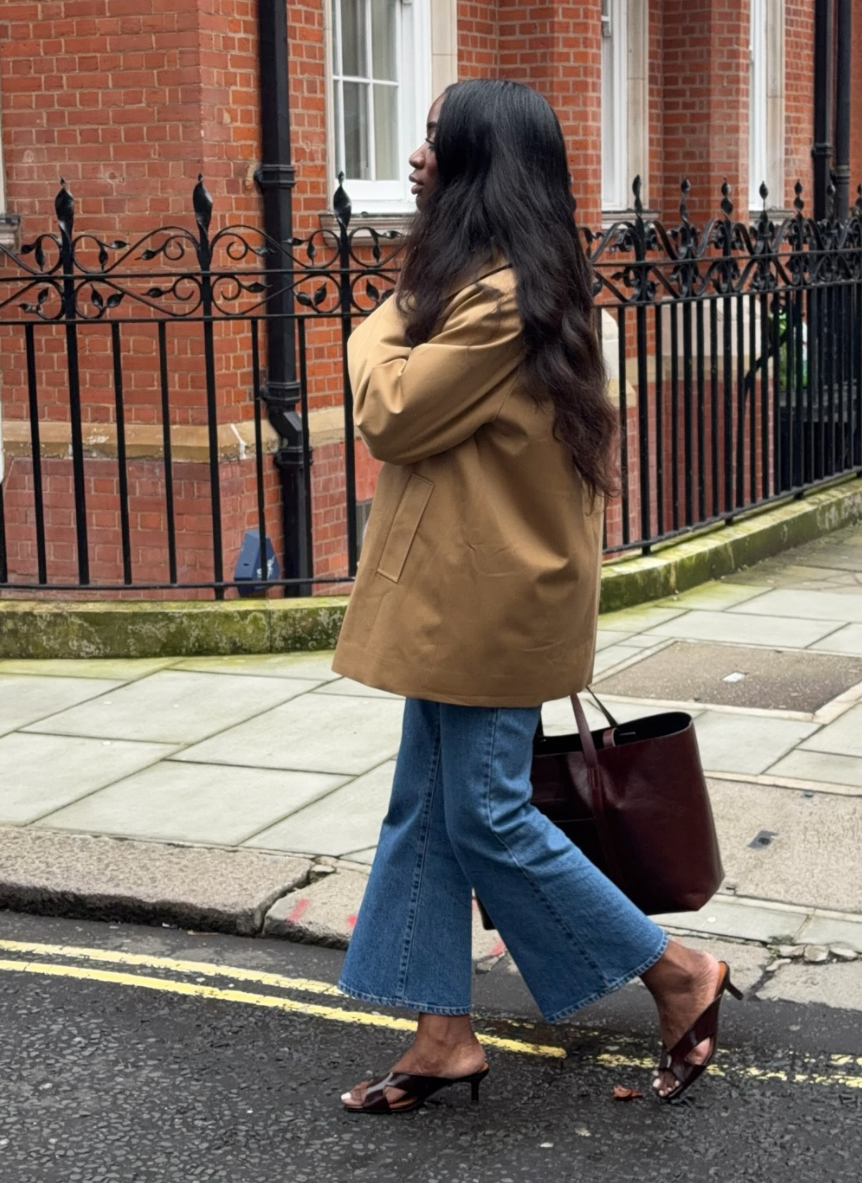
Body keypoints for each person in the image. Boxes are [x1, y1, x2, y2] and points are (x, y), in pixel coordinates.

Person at [331, 78, 739, 1114]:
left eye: (435, 142)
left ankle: (676, 971)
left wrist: (384, 318)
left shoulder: (498, 298)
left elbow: (390, 412)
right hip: (460, 595)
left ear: (479, 163)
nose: (418, 159)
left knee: (486, 815)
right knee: (427, 810)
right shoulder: (497, 282)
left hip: (488, 603)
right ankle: (441, 1034)